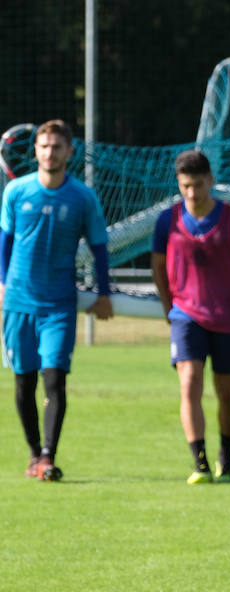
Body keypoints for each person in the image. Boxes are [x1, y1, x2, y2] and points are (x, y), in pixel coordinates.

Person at [0, 118, 113, 482]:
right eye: (44, 146)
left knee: (54, 379)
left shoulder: (82, 197)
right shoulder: (16, 191)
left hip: (58, 306)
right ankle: (34, 454)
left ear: (69, 152)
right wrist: (2, 283)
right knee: (24, 382)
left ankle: (48, 456)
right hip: (18, 303)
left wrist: (104, 293)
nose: (50, 153)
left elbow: (99, 247)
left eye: (57, 147)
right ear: (35, 151)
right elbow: (4, 242)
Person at [151, 149, 230, 484]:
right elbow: (157, 267)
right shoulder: (167, 220)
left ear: (210, 181)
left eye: (198, 185)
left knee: (226, 392)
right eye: (185, 185)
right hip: (186, 316)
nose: (192, 192)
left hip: (228, 318)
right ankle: (199, 464)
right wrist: (169, 307)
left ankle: (225, 459)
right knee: (189, 384)